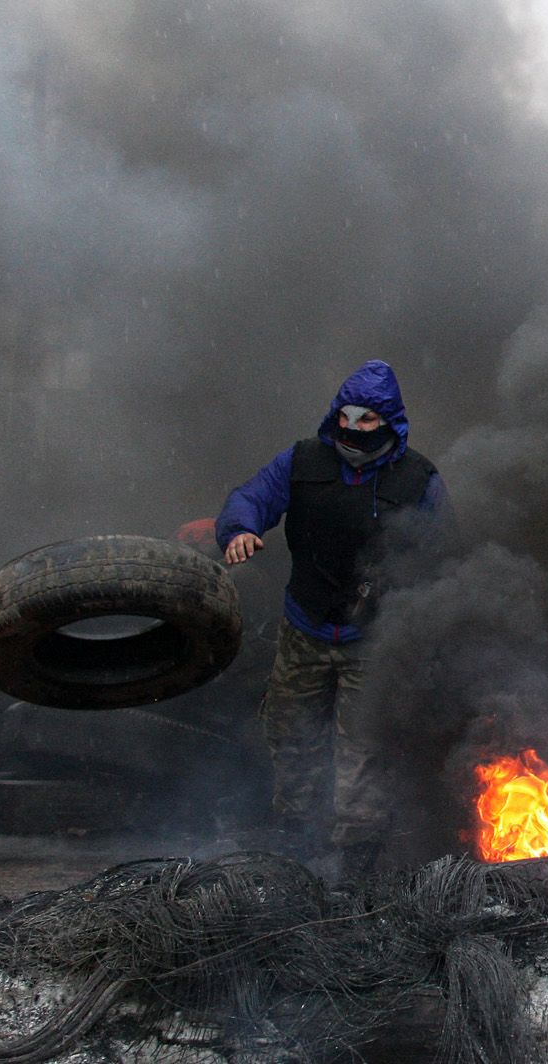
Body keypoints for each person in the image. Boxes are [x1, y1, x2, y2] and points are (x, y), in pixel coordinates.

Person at [216, 359, 447, 877]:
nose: (353, 428)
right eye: (346, 416)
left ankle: (356, 863)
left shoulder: (418, 481)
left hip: (375, 639)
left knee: (363, 750)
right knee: (290, 734)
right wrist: (239, 530)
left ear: (389, 422)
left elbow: (442, 558)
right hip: (306, 626)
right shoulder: (303, 462)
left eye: (367, 420)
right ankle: (295, 842)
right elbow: (251, 497)